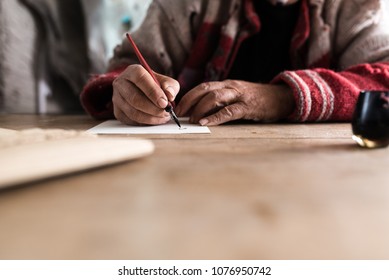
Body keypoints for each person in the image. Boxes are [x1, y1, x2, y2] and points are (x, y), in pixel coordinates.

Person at [80, 0, 389, 126]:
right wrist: (126, 90)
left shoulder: (354, 6)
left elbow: (383, 81)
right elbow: (125, 68)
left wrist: (281, 97)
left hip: (324, 175)